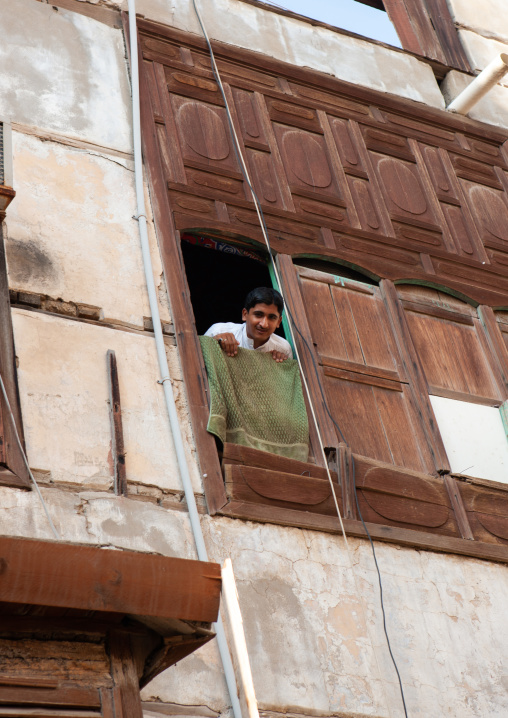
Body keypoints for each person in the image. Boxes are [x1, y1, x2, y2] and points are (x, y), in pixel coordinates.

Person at [204, 287, 293, 362]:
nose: (264, 324)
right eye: (258, 315)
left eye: (272, 317)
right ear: (245, 314)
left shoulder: (283, 349)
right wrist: (213, 343)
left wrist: (280, 365)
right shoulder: (219, 331)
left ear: (278, 322)